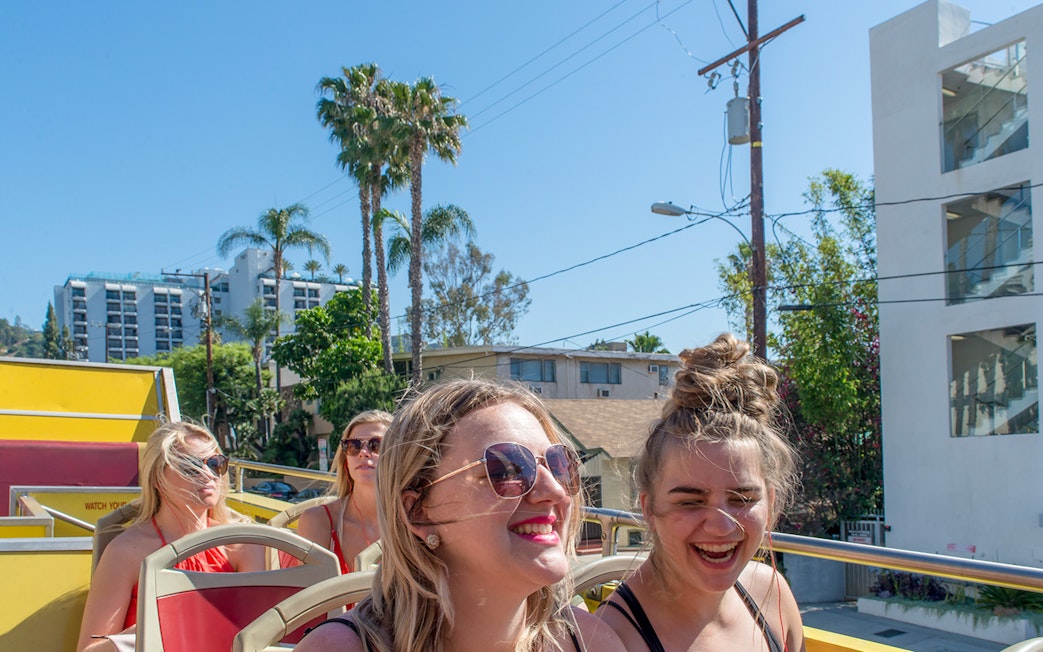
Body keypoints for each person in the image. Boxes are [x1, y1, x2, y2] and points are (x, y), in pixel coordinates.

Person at [295, 379, 625, 652]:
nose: (554, 490)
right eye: (506, 469)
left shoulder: (594, 643)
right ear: (418, 511)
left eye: (559, 465)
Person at [596, 333, 805, 652]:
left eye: (742, 499)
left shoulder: (772, 594)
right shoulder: (611, 639)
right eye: (691, 502)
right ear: (649, 511)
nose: (721, 526)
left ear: (771, 504)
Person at [77, 421, 265, 652]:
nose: (208, 475)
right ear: (157, 478)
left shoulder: (241, 544)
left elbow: (259, 635)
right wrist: (164, 625)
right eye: (189, 466)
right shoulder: (127, 551)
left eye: (216, 464)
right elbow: (90, 649)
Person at [297, 410, 392, 574]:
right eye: (353, 446)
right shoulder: (319, 521)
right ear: (345, 460)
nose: (363, 452)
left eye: (377, 445)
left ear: (398, 455)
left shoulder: (414, 522)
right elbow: (313, 596)